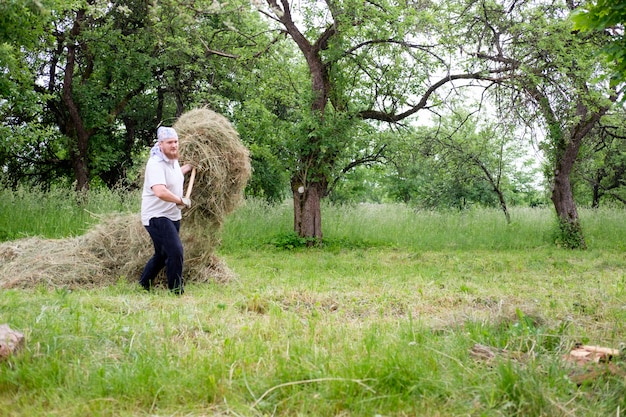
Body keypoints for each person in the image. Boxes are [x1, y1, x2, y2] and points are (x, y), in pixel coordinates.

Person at [139, 126, 193, 295]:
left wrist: (189, 167)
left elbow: (176, 174)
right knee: (175, 251)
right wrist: (181, 200)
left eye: (176, 142)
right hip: (156, 216)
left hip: (172, 215)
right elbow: (160, 191)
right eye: (170, 142)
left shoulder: (173, 160)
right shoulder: (155, 163)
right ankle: (176, 290)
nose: (174, 145)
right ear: (160, 144)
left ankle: (143, 284)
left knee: (162, 254)